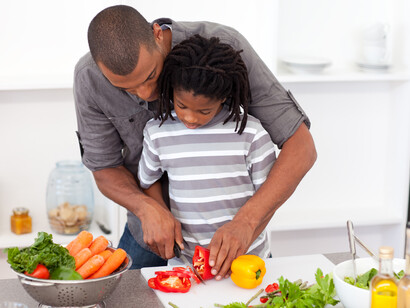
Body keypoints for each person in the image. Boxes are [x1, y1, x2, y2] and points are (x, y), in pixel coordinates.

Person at [74, 5, 316, 279]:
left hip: (236, 241)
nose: (147, 93)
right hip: (147, 233)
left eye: (151, 75)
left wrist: (246, 223)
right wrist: (147, 208)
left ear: (156, 34)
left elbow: (302, 147)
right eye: (127, 88)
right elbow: (104, 169)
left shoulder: (225, 49)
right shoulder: (89, 78)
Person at [138, 34, 276, 262]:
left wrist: (244, 234)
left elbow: (269, 197)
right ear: (170, 89)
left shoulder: (250, 134)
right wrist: (161, 213)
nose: (190, 118)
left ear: (223, 97)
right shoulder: (158, 132)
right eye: (182, 105)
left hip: (247, 259)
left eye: (204, 111)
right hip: (185, 263)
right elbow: (148, 181)